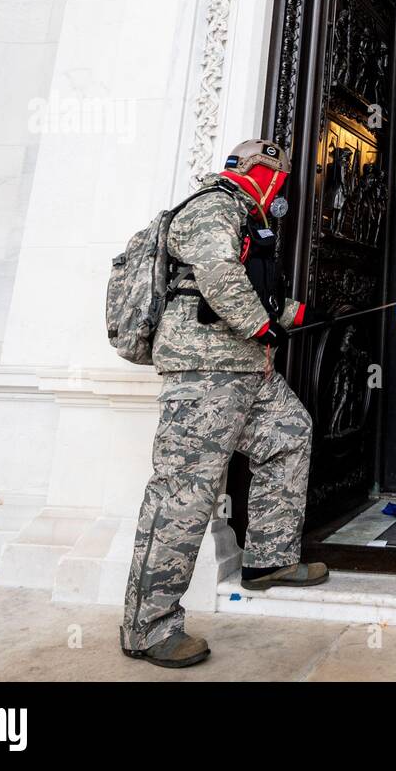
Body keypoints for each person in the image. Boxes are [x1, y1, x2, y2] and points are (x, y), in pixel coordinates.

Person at [120, 139, 328, 668]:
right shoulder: (212, 205)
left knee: (289, 434)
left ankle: (269, 559)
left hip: (245, 369)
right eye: (278, 180)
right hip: (205, 375)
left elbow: (246, 288)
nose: (281, 192)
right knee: (184, 493)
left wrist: (291, 313)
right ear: (261, 173)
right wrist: (262, 325)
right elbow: (218, 278)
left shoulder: (245, 216)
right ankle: (147, 627)